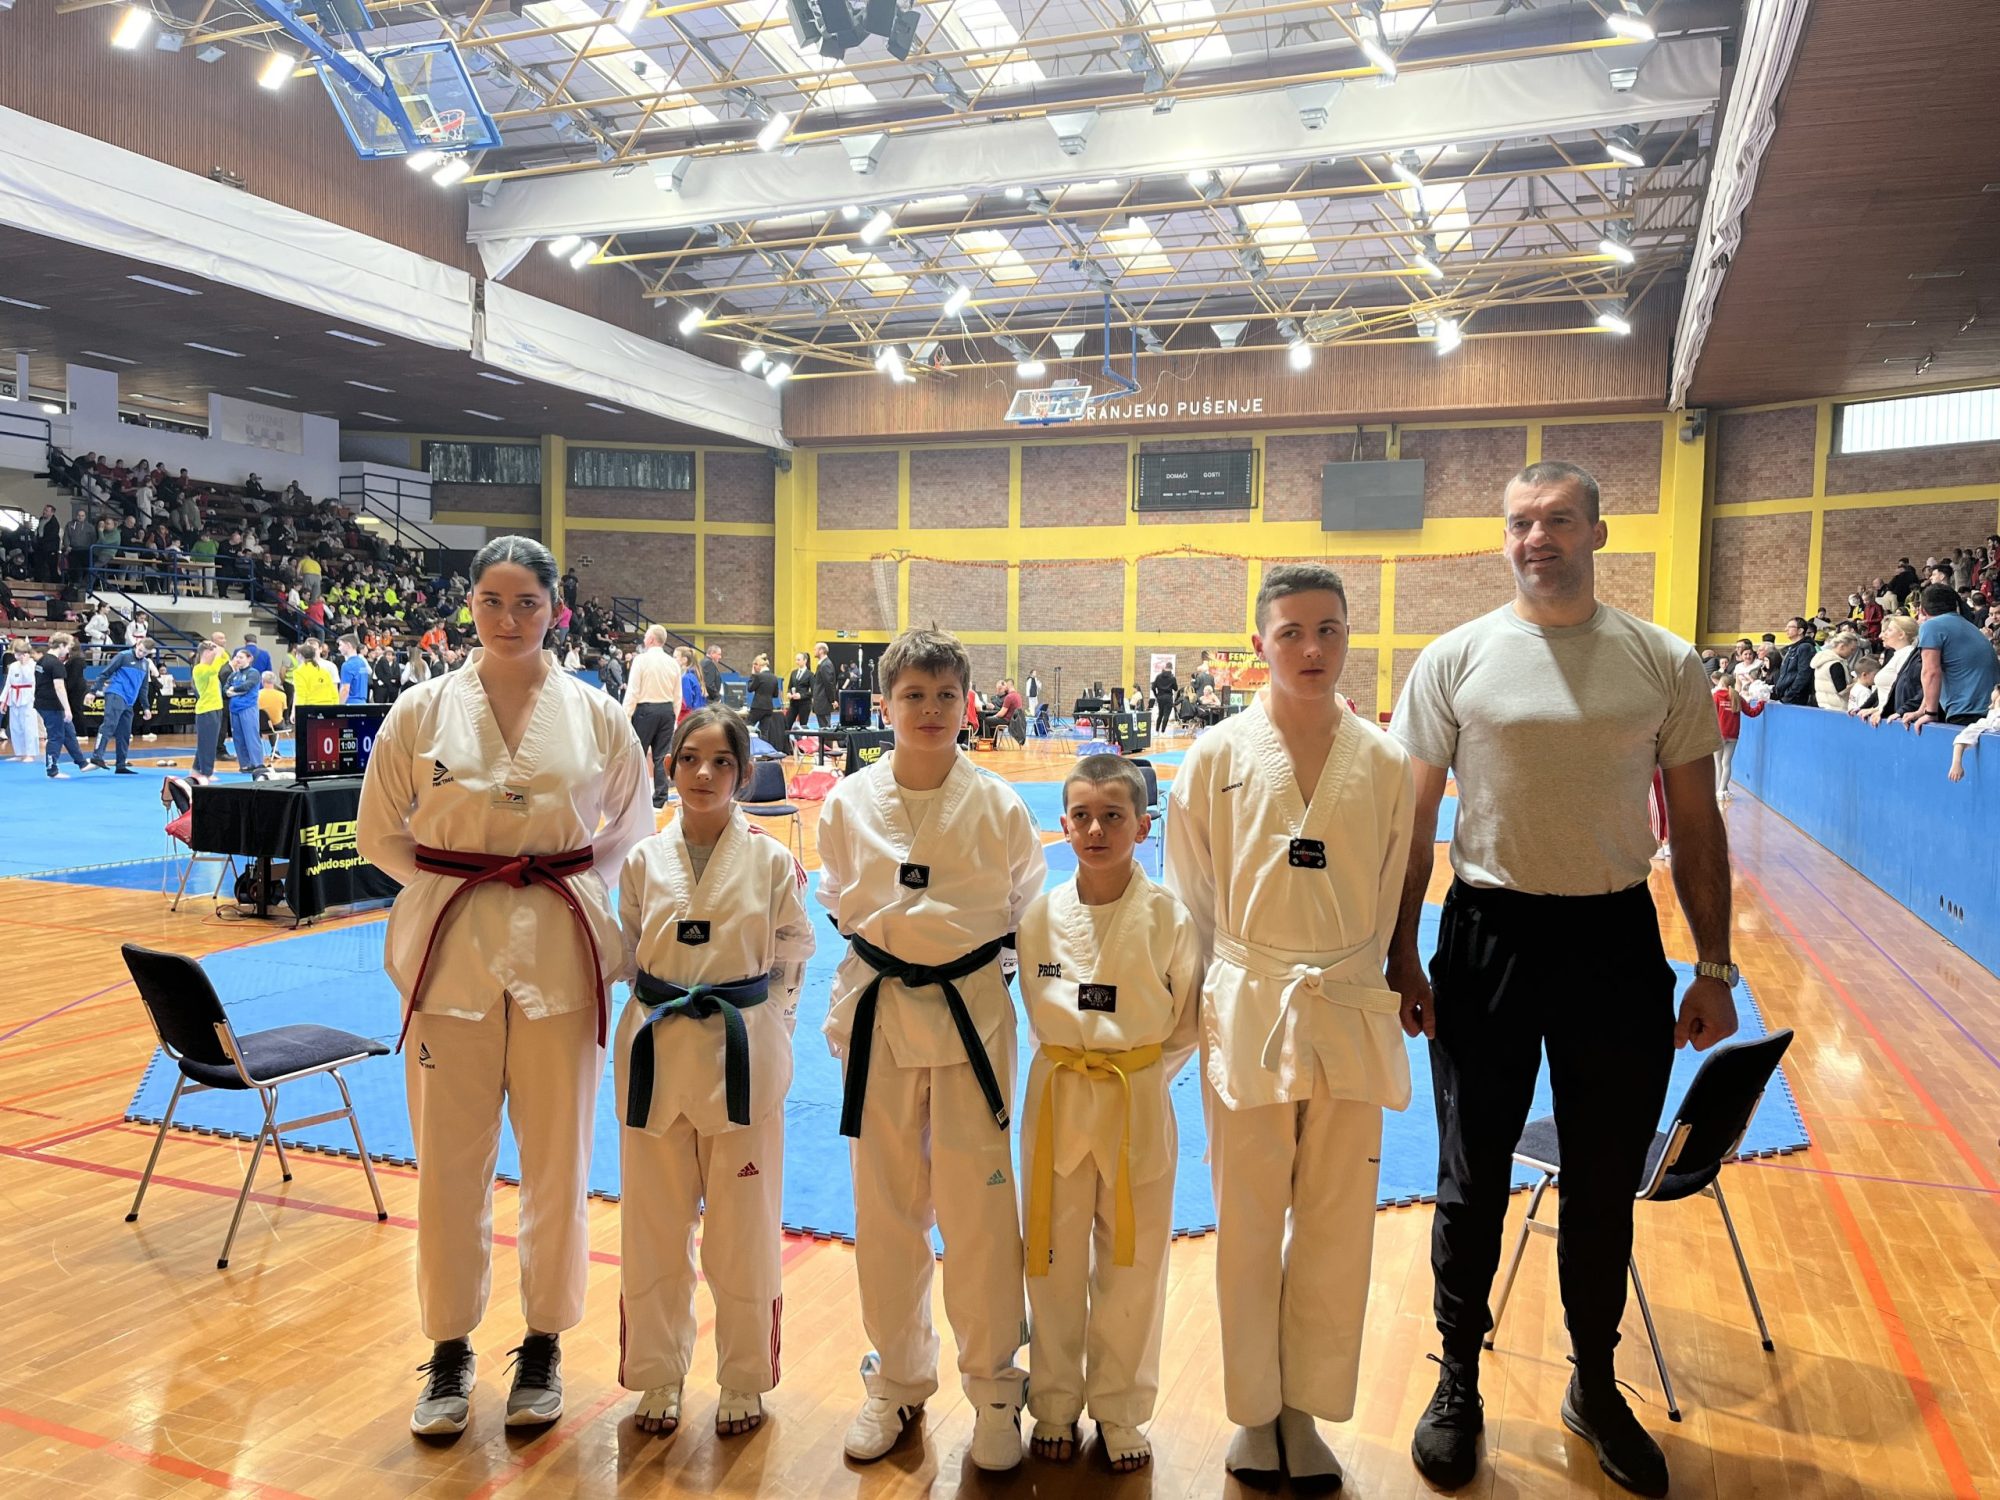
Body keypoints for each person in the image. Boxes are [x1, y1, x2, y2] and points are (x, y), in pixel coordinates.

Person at [1390, 461, 1735, 1499]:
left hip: (1613, 940)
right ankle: (1457, 1376)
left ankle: (1593, 1381)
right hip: (1484, 935)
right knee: (1470, 1177)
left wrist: (1713, 965)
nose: (1535, 538)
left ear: (1596, 531)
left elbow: (1697, 823)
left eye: (1556, 520)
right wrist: (1399, 948)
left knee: (1600, 1179)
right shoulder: (1454, 659)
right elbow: (1411, 819)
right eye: (1519, 523)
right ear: (1503, 538)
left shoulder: (1660, 660)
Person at [355, 536, 653, 1440]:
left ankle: (544, 1340)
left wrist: (556, 878)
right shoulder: (421, 710)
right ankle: (449, 1346)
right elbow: (379, 832)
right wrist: (454, 882)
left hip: (561, 954)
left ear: (555, 609)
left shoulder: (596, 713)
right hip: (449, 955)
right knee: (448, 1165)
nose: (509, 619)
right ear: (470, 605)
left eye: (527, 602)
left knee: (559, 1160)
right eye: (492, 600)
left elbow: (629, 828)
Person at [1163, 563, 1413, 1490]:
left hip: (1344, 998)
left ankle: (1304, 1410)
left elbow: (1389, 895)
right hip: (1247, 1003)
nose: (1312, 649)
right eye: (1292, 632)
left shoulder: (1383, 761)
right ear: (1258, 644)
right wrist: (1186, 1021)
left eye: (1329, 631)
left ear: (1349, 637)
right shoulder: (1215, 756)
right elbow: (1189, 898)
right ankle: (1254, 1413)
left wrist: (1377, 976)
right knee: (1248, 1218)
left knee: (1338, 1221)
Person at [817, 626, 1047, 1471]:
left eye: (946, 696)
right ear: (883, 705)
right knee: (884, 1208)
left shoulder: (998, 805)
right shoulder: (848, 803)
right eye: (913, 695)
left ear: (967, 705)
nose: (930, 710)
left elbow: (1027, 910)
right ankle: (898, 1379)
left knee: (979, 1210)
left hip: (970, 1015)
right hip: (879, 1014)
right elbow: (837, 899)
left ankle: (994, 1387)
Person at [614, 707, 815, 1438]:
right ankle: (657, 1373)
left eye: (722, 762)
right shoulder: (643, 860)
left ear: (744, 773)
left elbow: (793, 952)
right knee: (653, 1224)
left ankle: (744, 1375)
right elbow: (628, 953)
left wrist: (773, 1031)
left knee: (744, 1228)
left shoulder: (770, 861)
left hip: (743, 1054)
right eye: (690, 758)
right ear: (668, 766)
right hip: (657, 1050)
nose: (704, 773)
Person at [1017, 755, 1201, 1474]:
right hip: (1060, 1092)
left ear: (1143, 826)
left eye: (1113, 816)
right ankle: (1054, 1401)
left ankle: (1121, 1407)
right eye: (1083, 817)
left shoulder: (1169, 918)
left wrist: (1141, 1070)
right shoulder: (1039, 917)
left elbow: (1185, 1020)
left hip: (1135, 1092)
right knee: (1050, 1255)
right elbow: (1035, 1008)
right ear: (1063, 827)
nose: (1096, 830)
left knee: (1133, 1258)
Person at [1911, 583, 2000, 727]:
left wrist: (1930, 713)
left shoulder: (1931, 626)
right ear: (1956, 606)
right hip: (1989, 709)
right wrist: (1922, 710)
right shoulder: (1968, 626)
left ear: (1922, 610)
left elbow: (1931, 672)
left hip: (1967, 712)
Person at [625, 625, 682, 809]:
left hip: (645, 710)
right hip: (667, 711)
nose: (644, 639)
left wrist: (626, 716)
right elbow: (678, 695)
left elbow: (633, 691)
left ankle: (634, 797)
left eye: (645, 637)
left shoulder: (641, 660)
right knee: (661, 756)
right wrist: (674, 718)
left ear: (650, 640)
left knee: (637, 755)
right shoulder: (673, 663)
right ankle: (660, 799)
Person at [90, 637, 155, 774]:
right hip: (116, 693)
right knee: (109, 724)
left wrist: (146, 707)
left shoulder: (145, 664)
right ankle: (97, 756)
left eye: (144, 653)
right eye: (140, 650)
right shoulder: (123, 656)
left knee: (125, 733)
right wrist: (93, 691)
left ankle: (121, 764)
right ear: (137, 644)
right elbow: (105, 673)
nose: (141, 654)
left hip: (129, 700)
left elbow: (144, 687)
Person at [34, 634, 93, 778]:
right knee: (56, 736)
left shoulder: (42, 660)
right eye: (67, 648)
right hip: (51, 705)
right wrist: (67, 708)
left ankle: (82, 763)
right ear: (61, 646)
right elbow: (59, 687)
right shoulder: (56, 664)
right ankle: (52, 769)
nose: (68, 651)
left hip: (44, 702)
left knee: (69, 732)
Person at [1712, 666, 1764, 799]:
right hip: (1733, 734)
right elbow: (1752, 712)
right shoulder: (1737, 697)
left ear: (1721, 683)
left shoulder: (1716, 696)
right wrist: (1761, 703)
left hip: (1719, 734)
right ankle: (1724, 789)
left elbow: (1710, 714)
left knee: (1718, 763)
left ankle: (1720, 790)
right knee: (1727, 763)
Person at [223, 649, 268, 781]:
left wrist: (233, 690)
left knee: (251, 736)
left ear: (249, 659)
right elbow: (225, 689)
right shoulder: (233, 675)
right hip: (234, 709)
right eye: (236, 657)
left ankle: (257, 763)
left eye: (241, 657)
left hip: (248, 708)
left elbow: (247, 686)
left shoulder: (253, 673)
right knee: (238, 737)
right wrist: (232, 691)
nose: (238, 659)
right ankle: (245, 764)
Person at [1947, 686, 2000, 782]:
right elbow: (1961, 739)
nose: (1990, 706)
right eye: (1993, 702)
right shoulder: (1986, 722)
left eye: (1995, 702)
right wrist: (1956, 764)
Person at [190, 641, 225, 782]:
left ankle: (196, 768)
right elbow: (215, 669)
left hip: (216, 708)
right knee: (208, 743)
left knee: (208, 741)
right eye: (212, 652)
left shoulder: (210, 667)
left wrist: (219, 649)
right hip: (206, 710)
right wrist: (218, 654)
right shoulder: (199, 669)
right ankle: (207, 772)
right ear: (206, 653)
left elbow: (224, 659)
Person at [7, 642, 43, 763]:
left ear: (26, 654)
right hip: (14, 697)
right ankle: (19, 753)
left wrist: (24, 665)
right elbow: (8, 684)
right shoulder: (13, 666)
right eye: (16, 653)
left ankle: (30, 753)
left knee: (29, 727)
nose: (18, 656)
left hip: (28, 697)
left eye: (20, 654)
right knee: (15, 727)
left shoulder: (33, 665)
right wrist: (3, 701)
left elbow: (30, 679)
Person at [1770, 615, 1816, 705]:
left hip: (1796, 700)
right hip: (1785, 697)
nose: (1786, 629)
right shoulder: (1791, 649)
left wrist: (1789, 695)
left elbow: (1803, 675)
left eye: (1790, 627)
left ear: (1800, 631)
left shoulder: (1805, 648)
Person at [745, 652, 786, 751]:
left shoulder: (759, 676)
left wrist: (753, 675)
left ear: (758, 665)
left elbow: (750, 688)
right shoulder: (774, 677)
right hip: (768, 707)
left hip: (758, 706)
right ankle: (764, 751)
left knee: (747, 727)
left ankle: (747, 749)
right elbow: (775, 694)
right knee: (764, 732)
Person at [1811, 630, 1861, 711]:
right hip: (1838, 707)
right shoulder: (1836, 664)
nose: (1852, 653)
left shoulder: (1822, 660)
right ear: (1842, 646)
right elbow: (1842, 691)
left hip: (1823, 704)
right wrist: (1859, 682)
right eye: (1852, 650)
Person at [291, 639, 339, 711]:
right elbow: (334, 693)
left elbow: (300, 695)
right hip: (327, 707)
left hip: (311, 709)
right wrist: (335, 708)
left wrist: (296, 712)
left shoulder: (299, 672)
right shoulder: (324, 671)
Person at [810, 641, 838, 729]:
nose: (814, 651)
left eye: (815, 649)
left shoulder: (826, 665)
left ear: (821, 650)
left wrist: (832, 700)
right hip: (821, 702)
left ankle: (826, 740)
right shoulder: (822, 664)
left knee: (825, 729)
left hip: (824, 702)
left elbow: (829, 684)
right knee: (823, 728)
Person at [337, 635, 371, 705]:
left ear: (348, 645)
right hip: (362, 702)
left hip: (350, 703)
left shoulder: (347, 665)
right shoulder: (362, 662)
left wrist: (339, 706)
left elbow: (345, 689)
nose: (339, 648)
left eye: (340, 645)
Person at [785, 652, 813, 735]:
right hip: (793, 703)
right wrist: (789, 693)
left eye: (798, 660)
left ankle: (803, 742)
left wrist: (801, 696)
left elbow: (813, 691)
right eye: (796, 660)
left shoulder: (810, 674)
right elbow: (790, 687)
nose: (796, 662)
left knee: (803, 726)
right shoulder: (793, 673)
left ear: (805, 660)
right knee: (786, 724)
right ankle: (786, 742)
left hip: (804, 704)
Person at [676, 646, 706, 719]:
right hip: (697, 716)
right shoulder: (693, 675)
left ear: (684, 660)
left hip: (688, 718)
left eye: (675, 657)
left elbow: (686, 704)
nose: (672, 659)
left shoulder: (686, 678)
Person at [1150, 664, 1178, 735]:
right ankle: (1163, 731)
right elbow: (1175, 688)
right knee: (1166, 715)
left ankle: (1156, 731)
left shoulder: (1158, 676)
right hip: (1168, 697)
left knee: (1160, 714)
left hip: (1160, 697)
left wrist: (1156, 695)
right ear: (1171, 668)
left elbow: (1153, 687)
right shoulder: (1172, 678)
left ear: (1165, 667)